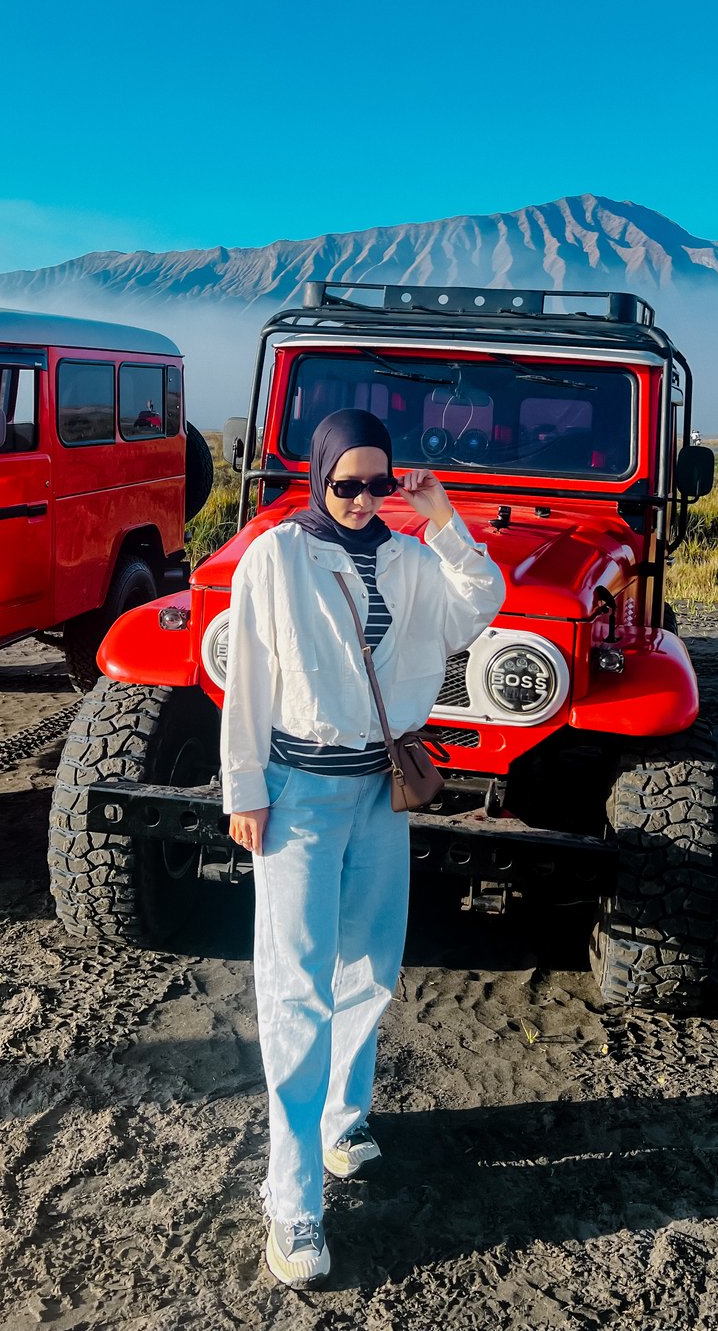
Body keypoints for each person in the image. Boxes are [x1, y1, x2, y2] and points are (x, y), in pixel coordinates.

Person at [220, 408, 505, 1288]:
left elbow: (481, 602)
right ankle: (292, 1199)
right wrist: (245, 790)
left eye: (378, 482)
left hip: (380, 792)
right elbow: (249, 680)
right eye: (347, 482)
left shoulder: (413, 559)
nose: (361, 498)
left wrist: (443, 514)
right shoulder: (275, 556)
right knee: (294, 986)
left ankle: (343, 1117)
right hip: (298, 793)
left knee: (371, 967)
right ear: (319, 476)